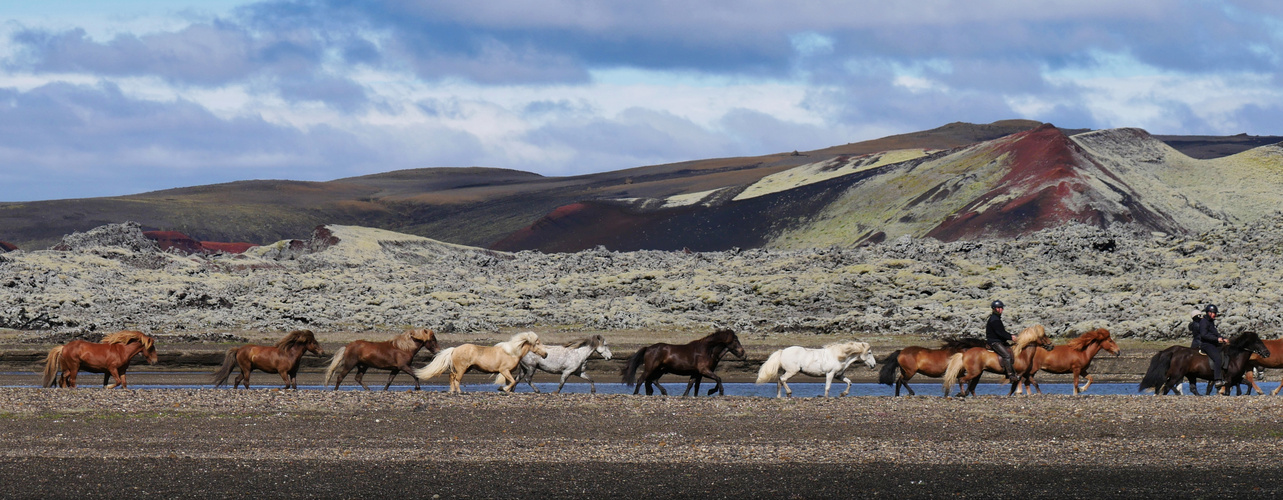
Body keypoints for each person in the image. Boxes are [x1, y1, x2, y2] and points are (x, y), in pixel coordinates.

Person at [985, 300, 1019, 383]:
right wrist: (1011, 337)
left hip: (998, 341)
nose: (1001, 309)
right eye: (999, 308)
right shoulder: (995, 320)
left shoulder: (996, 318)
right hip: (995, 342)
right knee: (1007, 355)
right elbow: (1000, 333)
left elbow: (1001, 332)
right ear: (994, 309)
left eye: (1002, 308)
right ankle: (1010, 375)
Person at [1195, 304, 1229, 388]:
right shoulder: (1204, 322)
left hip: (1213, 343)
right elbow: (1204, 335)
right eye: (1214, 313)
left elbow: (1215, 333)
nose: (1215, 315)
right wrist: (1216, 339)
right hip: (1206, 344)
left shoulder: (1210, 322)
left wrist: (1223, 338)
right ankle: (1217, 379)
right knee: (1217, 358)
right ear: (1209, 313)